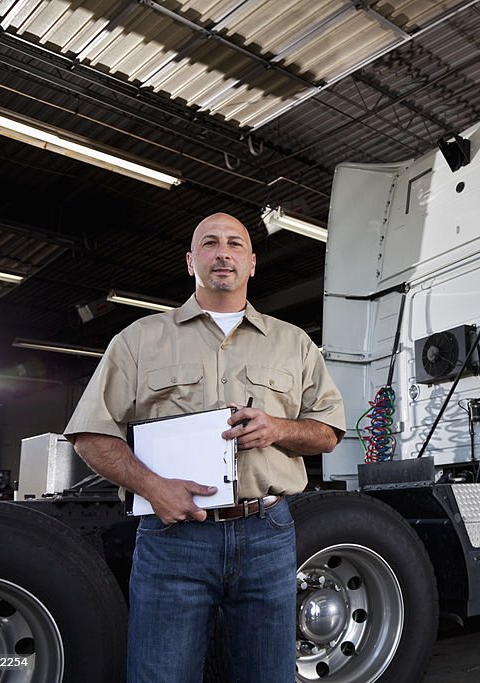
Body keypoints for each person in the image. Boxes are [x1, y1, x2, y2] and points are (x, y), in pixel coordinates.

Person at [65, 212, 345, 682]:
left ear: (252, 263)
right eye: (210, 244)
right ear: (190, 260)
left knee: (268, 675)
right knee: (162, 674)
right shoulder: (138, 341)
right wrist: (154, 487)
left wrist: (278, 427)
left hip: (266, 534)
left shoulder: (294, 344)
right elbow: (90, 435)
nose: (223, 253)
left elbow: (329, 432)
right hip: (174, 538)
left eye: (235, 244)